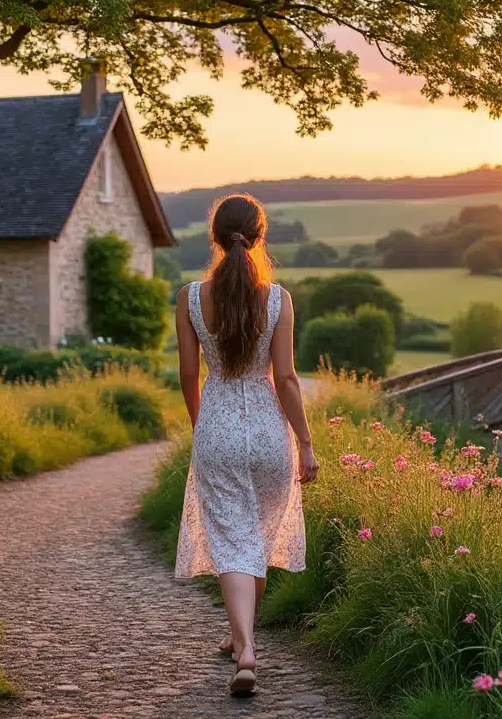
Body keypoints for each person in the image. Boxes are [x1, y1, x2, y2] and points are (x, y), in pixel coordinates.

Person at [173, 193, 319, 696]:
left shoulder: (191, 297)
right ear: (259, 237)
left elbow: (189, 374)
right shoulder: (278, 300)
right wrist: (306, 443)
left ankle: (244, 645)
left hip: (217, 429)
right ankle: (243, 643)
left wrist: (202, 426)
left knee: (236, 541)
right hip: (267, 432)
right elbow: (287, 379)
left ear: (214, 237)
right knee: (253, 537)